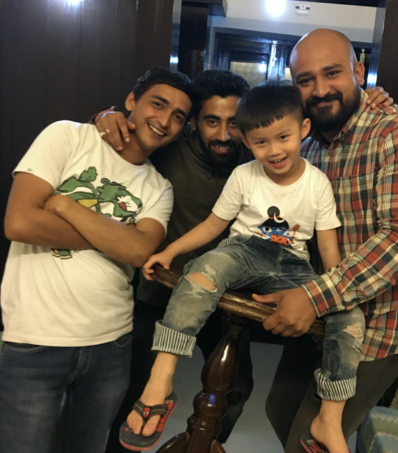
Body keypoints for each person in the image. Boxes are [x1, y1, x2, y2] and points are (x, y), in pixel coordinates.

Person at [96, 71, 393, 453]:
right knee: (204, 269)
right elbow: (213, 225)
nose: (273, 150)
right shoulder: (241, 173)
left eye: (283, 138)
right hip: (243, 251)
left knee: (348, 316)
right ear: (247, 141)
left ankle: (329, 418)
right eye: (260, 142)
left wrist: (338, 292)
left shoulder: (317, 181)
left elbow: (328, 246)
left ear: (303, 130)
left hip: (293, 265)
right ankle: (161, 377)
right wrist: (170, 252)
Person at [252, 29, 398, 453]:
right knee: (279, 410)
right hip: (325, 316)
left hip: (383, 324)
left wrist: (312, 297)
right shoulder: (307, 147)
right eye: (305, 80)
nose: (320, 89)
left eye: (332, 73)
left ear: (359, 72)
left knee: (308, 439)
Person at [0, 67, 193, 453]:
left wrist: (64, 207)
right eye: (158, 104)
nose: (165, 120)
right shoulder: (67, 136)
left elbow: (139, 252)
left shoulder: (159, 188)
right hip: (34, 338)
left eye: (178, 116)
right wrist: (116, 237)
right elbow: (20, 222)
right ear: (131, 101)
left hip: (111, 344)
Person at [97, 69, 255, 453]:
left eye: (234, 123)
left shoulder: (256, 158)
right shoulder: (169, 148)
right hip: (160, 293)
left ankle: (201, 444)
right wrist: (106, 117)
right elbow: (127, 132)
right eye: (212, 121)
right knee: (135, 391)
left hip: (222, 300)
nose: (224, 135)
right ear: (194, 122)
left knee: (236, 390)